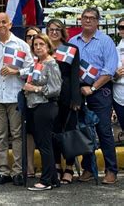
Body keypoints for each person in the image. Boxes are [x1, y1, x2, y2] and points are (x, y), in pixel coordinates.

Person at [0, 12, 33, 186]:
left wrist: (16, 71)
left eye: (4, 22)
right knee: (0, 135)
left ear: (10, 24)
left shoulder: (22, 45)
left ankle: (17, 171)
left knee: (17, 135)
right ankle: (3, 170)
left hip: (15, 96)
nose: (1, 25)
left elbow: (32, 69)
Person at [69, 7, 119, 184]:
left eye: (91, 18)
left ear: (97, 21)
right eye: (85, 17)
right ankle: (88, 168)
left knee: (103, 130)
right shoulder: (73, 41)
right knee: (83, 130)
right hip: (79, 92)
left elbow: (109, 69)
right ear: (80, 20)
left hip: (99, 91)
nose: (88, 20)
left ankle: (111, 170)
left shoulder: (106, 41)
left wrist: (93, 88)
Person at [21, 34, 62, 191]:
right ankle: (53, 179)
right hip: (35, 107)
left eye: (41, 44)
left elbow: (55, 89)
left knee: (45, 145)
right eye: (35, 45)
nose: (38, 47)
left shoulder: (51, 64)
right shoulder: (38, 62)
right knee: (44, 144)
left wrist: (35, 89)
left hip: (46, 106)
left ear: (48, 45)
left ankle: (45, 181)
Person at [46, 19, 82, 184]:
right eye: (51, 29)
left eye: (57, 29)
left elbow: (75, 75)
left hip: (67, 97)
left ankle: (69, 167)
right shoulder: (43, 49)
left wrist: (76, 98)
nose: (54, 32)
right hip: (49, 98)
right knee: (53, 133)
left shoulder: (71, 49)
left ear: (62, 32)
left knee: (69, 133)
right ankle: (56, 165)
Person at [24, 26, 41, 178]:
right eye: (29, 37)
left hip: (43, 99)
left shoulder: (45, 54)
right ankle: (29, 165)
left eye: (34, 36)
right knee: (29, 133)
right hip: (27, 98)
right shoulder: (23, 54)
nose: (31, 39)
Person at [113, 18, 124, 130]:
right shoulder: (114, 50)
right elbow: (108, 74)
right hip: (119, 96)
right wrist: (115, 75)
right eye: (121, 27)